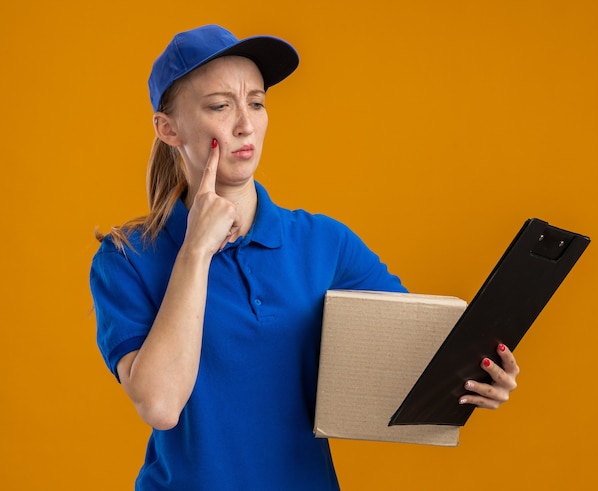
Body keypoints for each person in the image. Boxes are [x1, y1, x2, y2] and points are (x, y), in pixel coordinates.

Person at [90, 24, 520, 491]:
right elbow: (159, 405)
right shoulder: (127, 257)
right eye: (220, 105)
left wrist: (474, 379)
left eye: (255, 102)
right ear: (168, 128)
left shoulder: (324, 243)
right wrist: (195, 250)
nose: (244, 124)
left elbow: (415, 359)